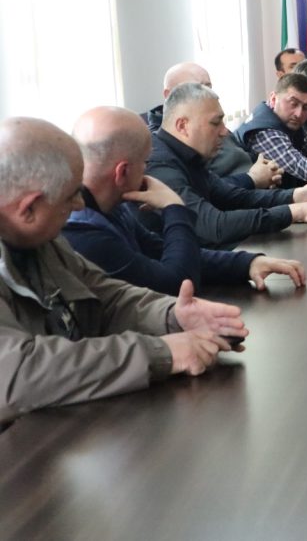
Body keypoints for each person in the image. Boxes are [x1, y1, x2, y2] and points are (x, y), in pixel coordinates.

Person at [0, 117, 247, 424]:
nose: (79, 205)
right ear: (28, 208)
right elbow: (17, 373)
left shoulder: (42, 241)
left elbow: (104, 295)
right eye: (70, 195)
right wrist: (161, 353)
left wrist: (172, 315)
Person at [64, 106, 306, 295]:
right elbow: (176, 284)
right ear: (122, 172)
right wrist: (174, 207)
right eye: (144, 163)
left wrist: (248, 263)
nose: (147, 170)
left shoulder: (111, 206)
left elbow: (161, 250)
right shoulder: (86, 232)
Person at [146, 82, 307, 249]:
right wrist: (296, 212)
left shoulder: (188, 156)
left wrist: (298, 195)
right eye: (215, 123)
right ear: (182, 126)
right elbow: (214, 226)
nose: (224, 131)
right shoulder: (159, 164)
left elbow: (235, 197)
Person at [143, 62, 281, 189]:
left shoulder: (212, 120)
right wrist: (252, 179)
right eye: (197, 88)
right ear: (169, 95)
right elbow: (207, 189)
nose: (207, 93)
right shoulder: (164, 144)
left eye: (209, 87)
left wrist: (269, 169)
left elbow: (245, 153)